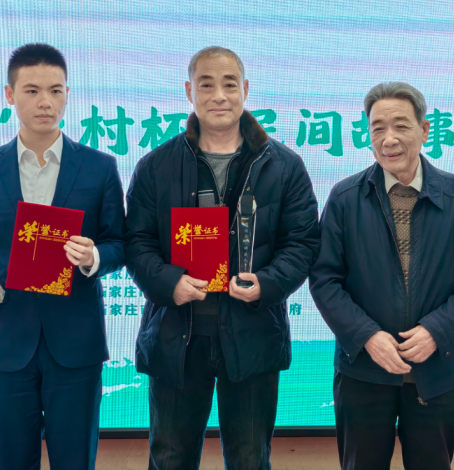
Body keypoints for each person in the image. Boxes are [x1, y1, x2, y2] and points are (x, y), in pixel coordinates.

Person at [124, 46, 320, 469]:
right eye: (206, 84)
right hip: (176, 337)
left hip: (252, 336)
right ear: (188, 91)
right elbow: (136, 242)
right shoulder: (156, 166)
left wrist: (267, 283)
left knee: (250, 460)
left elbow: (302, 242)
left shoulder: (283, 166)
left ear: (245, 89)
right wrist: (169, 282)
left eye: (229, 85)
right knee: (170, 459)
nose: (219, 95)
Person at [0, 43, 125, 470]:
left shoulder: (100, 167)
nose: (45, 102)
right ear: (10, 95)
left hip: (76, 342)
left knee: (75, 462)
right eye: (31, 91)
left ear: (67, 94)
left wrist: (93, 255)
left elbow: (120, 243)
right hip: (5, 338)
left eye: (55, 90)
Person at [309, 82, 454, 470]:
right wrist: (366, 336)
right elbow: (325, 280)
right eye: (377, 128)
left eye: (400, 126)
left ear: (425, 130)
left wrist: (437, 331)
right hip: (363, 373)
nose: (389, 139)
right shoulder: (345, 199)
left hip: (435, 373)